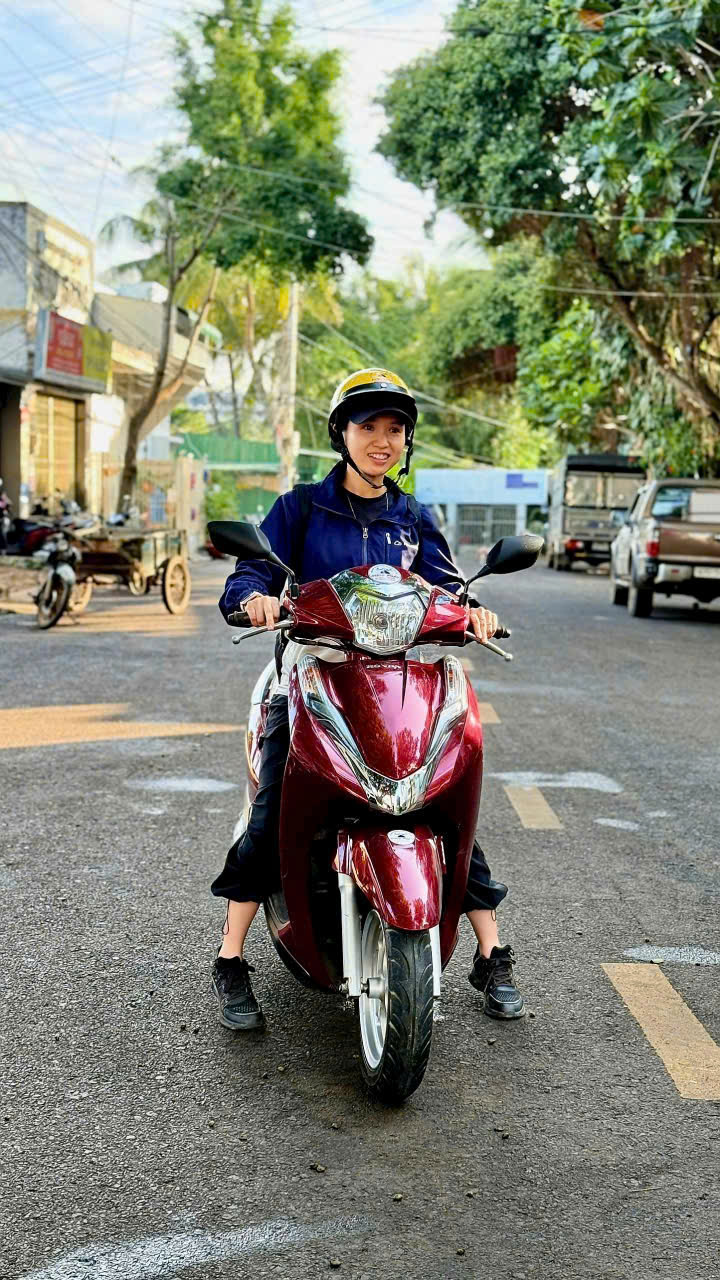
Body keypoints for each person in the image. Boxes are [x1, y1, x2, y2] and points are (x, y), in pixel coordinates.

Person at [210, 368, 525, 1030]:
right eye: (369, 426)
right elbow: (251, 570)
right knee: (273, 811)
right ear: (341, 434)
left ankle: (490, 951)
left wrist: (472, 612)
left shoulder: (414, 518)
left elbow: (448, 588)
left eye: (395, 429)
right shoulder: (300, 508)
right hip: (314, 677)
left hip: (397, 684)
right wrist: (254, 598)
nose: (383, 441)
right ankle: (231, 956)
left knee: (443, 800)